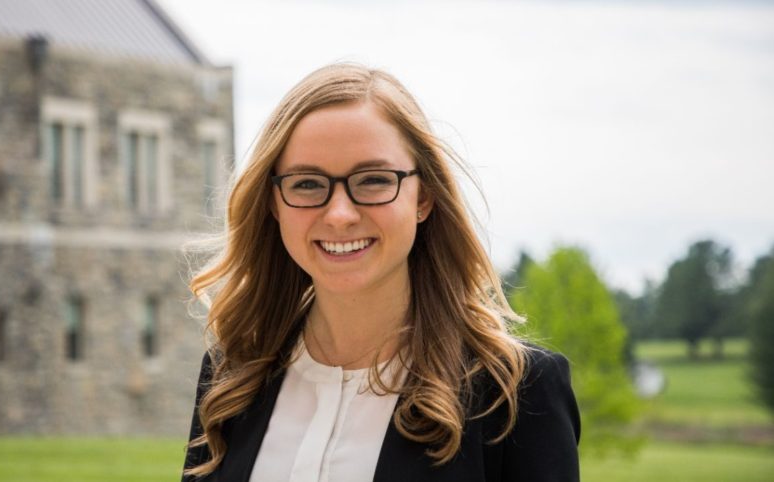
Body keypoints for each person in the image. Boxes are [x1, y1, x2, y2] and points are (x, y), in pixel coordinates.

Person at [182, 63, 580, 482]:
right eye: (307, 183)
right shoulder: (231, 378)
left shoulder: (516, 393)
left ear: (423, 197)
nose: (339, 214)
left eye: (373, 179)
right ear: (273, 203)